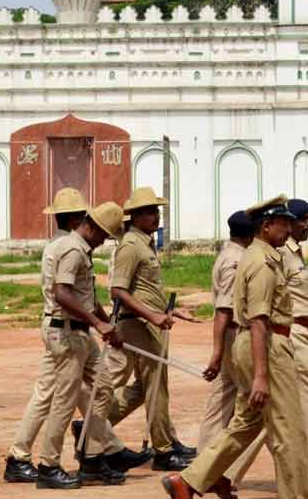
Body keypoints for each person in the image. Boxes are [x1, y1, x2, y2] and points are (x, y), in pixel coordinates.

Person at [162, 195, 308, 499]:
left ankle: (189, 481)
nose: (289, 228)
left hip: (256, 344)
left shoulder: (258, 256)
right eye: (283, 223)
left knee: (246, 423)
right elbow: (258, 319)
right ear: (266, 226)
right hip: (267, 345)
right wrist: (261, 375)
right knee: (288, 430)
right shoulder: (262, 263)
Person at [4, 190, 134, 487]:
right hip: (67, 332)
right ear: (90, 225)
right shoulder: (73, 249)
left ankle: (91, 456)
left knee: (100, 390)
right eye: (104, 235)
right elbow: (63, 294)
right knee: (63, 401)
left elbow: (85, 296)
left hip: (76, 331)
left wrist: (104, 323)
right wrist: (97, 324)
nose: (104, 241)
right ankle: (49, 466)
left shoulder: (70, 246)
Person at [233, 199, 308, 498]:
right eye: (301, 220)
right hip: (286, 337)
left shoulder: (291, 253)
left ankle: (218, 474)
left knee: (263, 415)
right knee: (306, 412)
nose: (307, 224)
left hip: (299, 333)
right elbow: (267, 310)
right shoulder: (276, 254)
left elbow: (296, 302)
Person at [105, 186, 198, 471]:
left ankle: (97, 425)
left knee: (151, 386)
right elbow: (118, 291)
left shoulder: (145, 243)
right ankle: (163, 450)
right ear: (134, 217)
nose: (155, 216)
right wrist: (153, 316)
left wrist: (170, 311)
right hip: (138, 324)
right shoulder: (131, 246)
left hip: (151, 322)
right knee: (156, 386)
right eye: (148, 212)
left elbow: (146, 289)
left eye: (155, 211)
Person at [195, 211, 254, 498]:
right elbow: (224, 310)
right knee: (256, 408)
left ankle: (203, 468)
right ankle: (220, 473)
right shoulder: (236, 260)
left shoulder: (227, 254)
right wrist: (218, 352)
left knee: (220, 403)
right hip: (234, 337)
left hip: (231, 339)